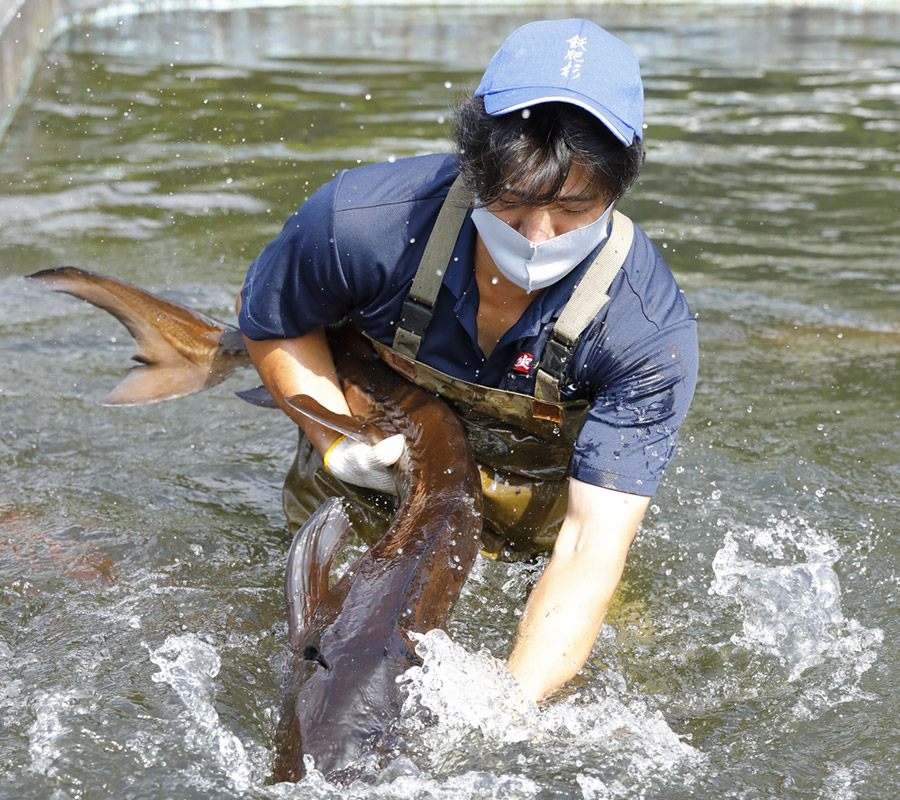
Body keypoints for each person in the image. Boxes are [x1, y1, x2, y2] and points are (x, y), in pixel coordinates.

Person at [237, 18, 698, 704]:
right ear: (472, 165)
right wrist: (334, 438)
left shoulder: (645, 331)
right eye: (512, 204)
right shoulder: (359, 225)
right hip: (366, 480)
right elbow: (274, 324)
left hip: (536, 527)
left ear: (620, 187)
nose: (539, 239)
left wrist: (511, 709)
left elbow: (588, 544)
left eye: (573, 210)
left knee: (629, 671)